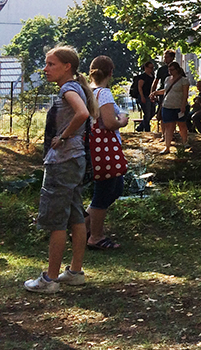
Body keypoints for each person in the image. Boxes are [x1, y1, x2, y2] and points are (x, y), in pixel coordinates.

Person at [24, 46, 97, 293]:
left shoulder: (68, 89)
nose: (45, 69)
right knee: (75, 214)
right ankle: (74, 272)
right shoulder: (75, 87)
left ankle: (50, 279)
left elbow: (82, 113)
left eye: (51, 64)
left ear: (67, 67)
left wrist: (63, 137)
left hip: (63, 162)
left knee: (56, 219)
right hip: (75, 161)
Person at [85, 55, 131, 251]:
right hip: (105, 149)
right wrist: (122, 120)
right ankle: (96, 236)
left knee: (115, 187)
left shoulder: (87, 91)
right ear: (111, 72)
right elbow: (109, 122)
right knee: (104, 191)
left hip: (94, 148)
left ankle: (82, 225)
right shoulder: (103, 93)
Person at [154, 60, 190, 154]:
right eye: (169, 70)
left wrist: (183, 106)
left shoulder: (184, 80)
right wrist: (156, 92)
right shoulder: (167, 79)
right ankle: (167, 147)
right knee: (169, 126)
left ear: (177, 70)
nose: (170, 71)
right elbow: (166, 90)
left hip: (178, 107)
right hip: (167, 106)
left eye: (172, 69)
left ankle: (185, 142)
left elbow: (185, 94)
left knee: (181, 125)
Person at [151, 50, 176, 135]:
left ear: (172, 58)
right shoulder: (161, 69)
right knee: (162, 114)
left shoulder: (178, 69)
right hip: (163, 93)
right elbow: (156, 81)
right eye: (164, 57)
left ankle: (171, 133)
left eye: (167, 57)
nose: (165, 59)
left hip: (174, 94)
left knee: (173, 114)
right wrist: (152, 93)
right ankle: (163, 134)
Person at [136, 60, 156, 132]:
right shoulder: (142, 77)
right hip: (144, 96)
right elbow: (140, 87)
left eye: (152, 68)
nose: (151, 69)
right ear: (146, 68)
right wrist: (142, 97)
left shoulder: (152, 76)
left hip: (150, 96)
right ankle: (147, 129)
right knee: (147, 113)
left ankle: (140, 127)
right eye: (150, 67)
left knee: (152, 112)